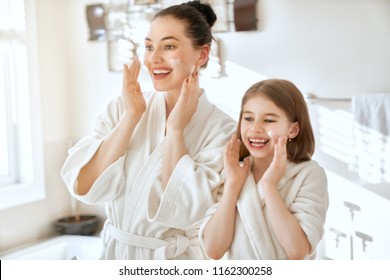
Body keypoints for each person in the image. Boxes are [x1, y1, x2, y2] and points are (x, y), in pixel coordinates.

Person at [61, 1, 236, 260]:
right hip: (116, 255)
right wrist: (131, 118)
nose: (153, 58)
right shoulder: (123, 108)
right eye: (149, 46)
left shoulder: (223, 131)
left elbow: (183, 210)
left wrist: (175, 131)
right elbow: (85, 187)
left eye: (168, 46)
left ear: (201, 55)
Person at [200, 79, 328, 260]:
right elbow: (214, 249)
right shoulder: (234, 169)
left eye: (268, 120)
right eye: (248, 118)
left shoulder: (308, 174)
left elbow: (298, 251)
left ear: (293, 130)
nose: (255, 128)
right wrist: (232, 185)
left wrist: (269, 186)